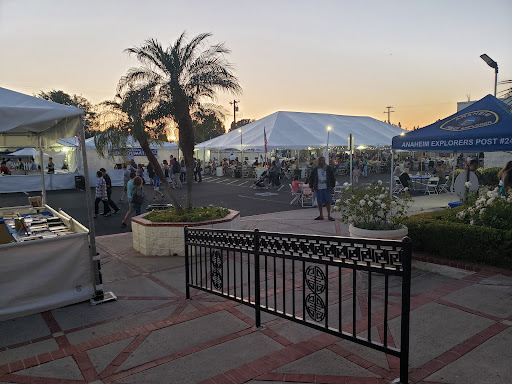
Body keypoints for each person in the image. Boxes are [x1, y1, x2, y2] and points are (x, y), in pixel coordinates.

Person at [309, 156, 336, 221]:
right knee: (320, 202)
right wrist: (311, 186)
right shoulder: (315, 169)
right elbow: (311, 178)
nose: (322, 162)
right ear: (318, 162)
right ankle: (321, 215)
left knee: (328, 202)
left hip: (327, 187)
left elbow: (332, 177)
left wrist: (332, 186)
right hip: (318, 188)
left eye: (324, 160)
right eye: (321, 161)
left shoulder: (328, 168)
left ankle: (329, 215)